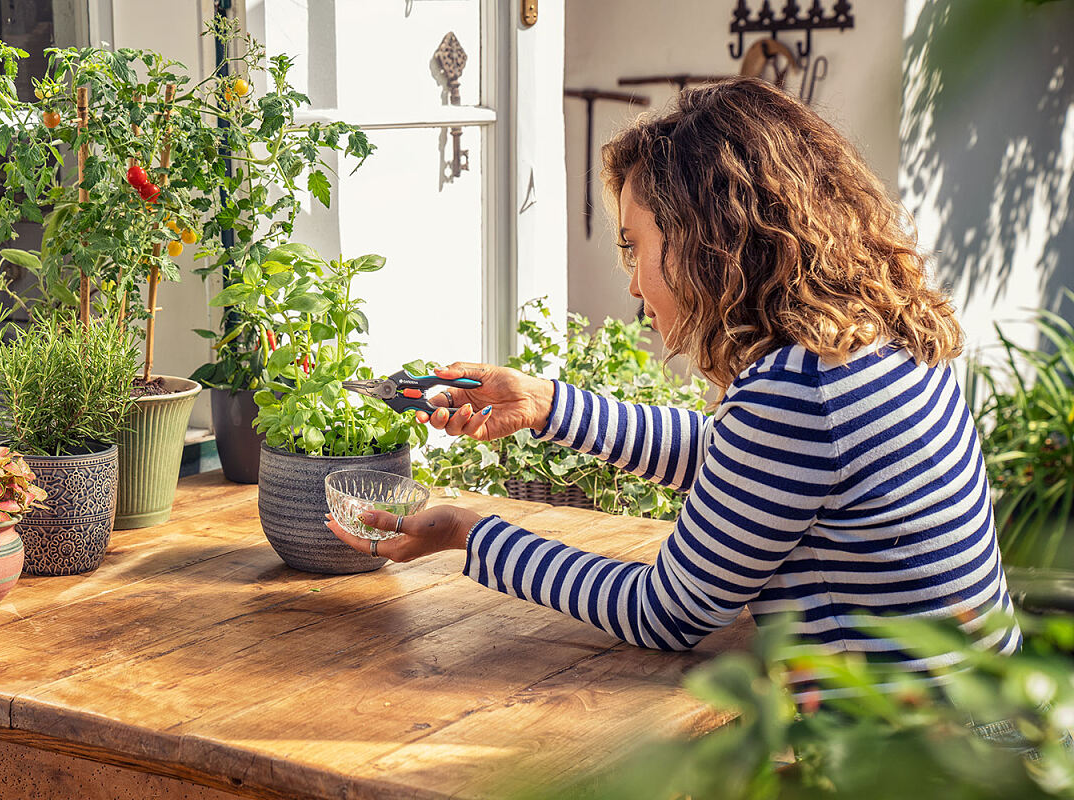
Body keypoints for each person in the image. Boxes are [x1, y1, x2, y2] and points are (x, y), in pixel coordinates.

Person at [326, 77, 1020, 695]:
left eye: (635, 246)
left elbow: (666, 611)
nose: (632, 283)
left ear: (706, 236)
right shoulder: (866, 336)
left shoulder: (797, 392)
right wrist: (545, 406)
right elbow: (741, 463)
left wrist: (469, 535)